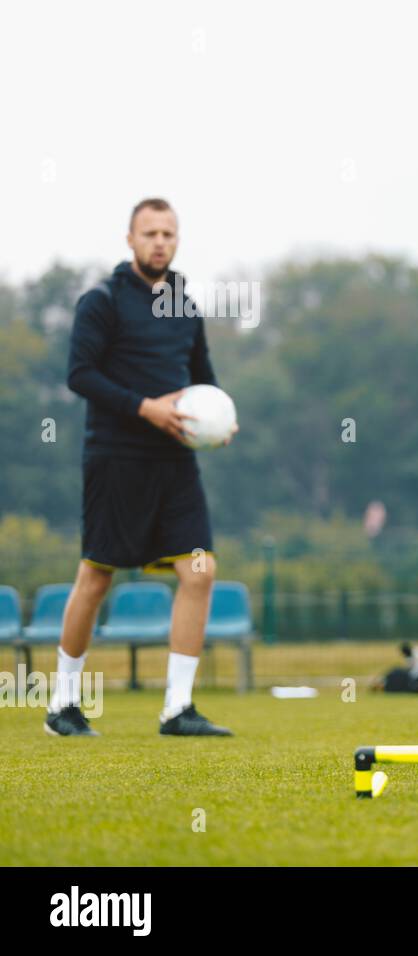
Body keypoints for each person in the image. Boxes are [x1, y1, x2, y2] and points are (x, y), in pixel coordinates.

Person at [47, 198, 235, 737]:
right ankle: (63, 703)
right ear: (129, 239)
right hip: (115, 458)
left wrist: (220, 420)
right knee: (96, 575)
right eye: (149, 233)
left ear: (178, 241)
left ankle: (178, 708)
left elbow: (204, 379)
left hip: (175, 462)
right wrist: (144, 407)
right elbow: (79, 375)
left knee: (200, 570)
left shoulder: (185, 306)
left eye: (169, 234)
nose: (159, 242)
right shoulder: (101, 302)